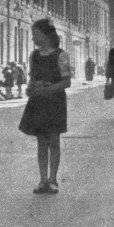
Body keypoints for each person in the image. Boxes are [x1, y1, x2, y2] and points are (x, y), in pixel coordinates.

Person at [19, 19, 71, 194]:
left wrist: (48, 89)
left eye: (35, 34)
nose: (33, 38)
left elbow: (66, 82)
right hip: (38, 102)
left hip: (55, 101)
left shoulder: (61, 55)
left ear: (46, 35)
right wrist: (30, 88)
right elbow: (32, 78)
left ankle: (53, 179)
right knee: (41, 141)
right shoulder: (34, 56)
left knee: (54, 141)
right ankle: (42, 180)